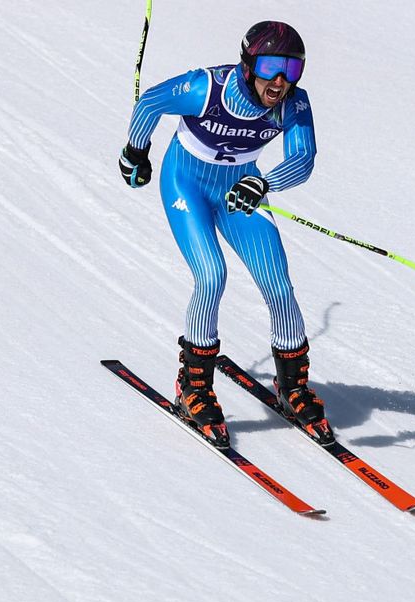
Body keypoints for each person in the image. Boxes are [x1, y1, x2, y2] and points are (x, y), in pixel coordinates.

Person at [117, 20, 333, 446]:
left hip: (240, 191)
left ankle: (292, 386)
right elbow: (150, 104)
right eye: (272, 66)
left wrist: (264, 183)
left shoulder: (293, 105)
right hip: (187, 184)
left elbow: (303, 158)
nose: (280, 81)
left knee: (278, 283)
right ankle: (193, 386)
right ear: (249, 64)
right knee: (212, 275)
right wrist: (135, 152)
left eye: (292, 70)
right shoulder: (208, 88)